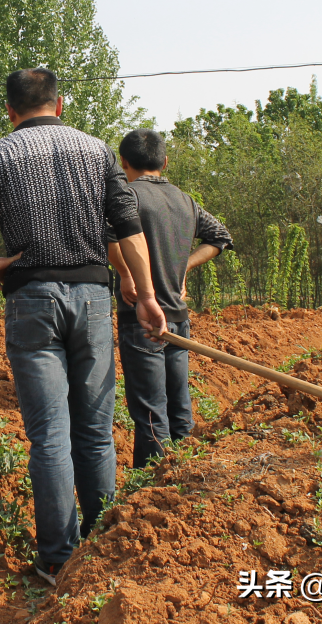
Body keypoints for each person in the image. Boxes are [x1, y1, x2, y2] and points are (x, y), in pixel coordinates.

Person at [0, 68, 167, 586]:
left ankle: (58, 560)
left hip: (32, 300)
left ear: (10, 111)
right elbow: (128, 225)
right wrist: (148, 295)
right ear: (59, 105)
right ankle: (102, 541)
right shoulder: (96, 151)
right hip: (91, 299)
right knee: (95, 430)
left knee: (49, 437)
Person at [107, 128, 233, 468]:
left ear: (123, 162)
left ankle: (150, 488)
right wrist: (183, 268)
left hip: (142, 320)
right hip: (178, 318)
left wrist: (125, 273)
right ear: (165, 161)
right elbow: (220, 237)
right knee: (179, 406)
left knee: (150, 413)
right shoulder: (185, 201)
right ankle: (184, 480)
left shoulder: (125, 197)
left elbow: (109, 237)